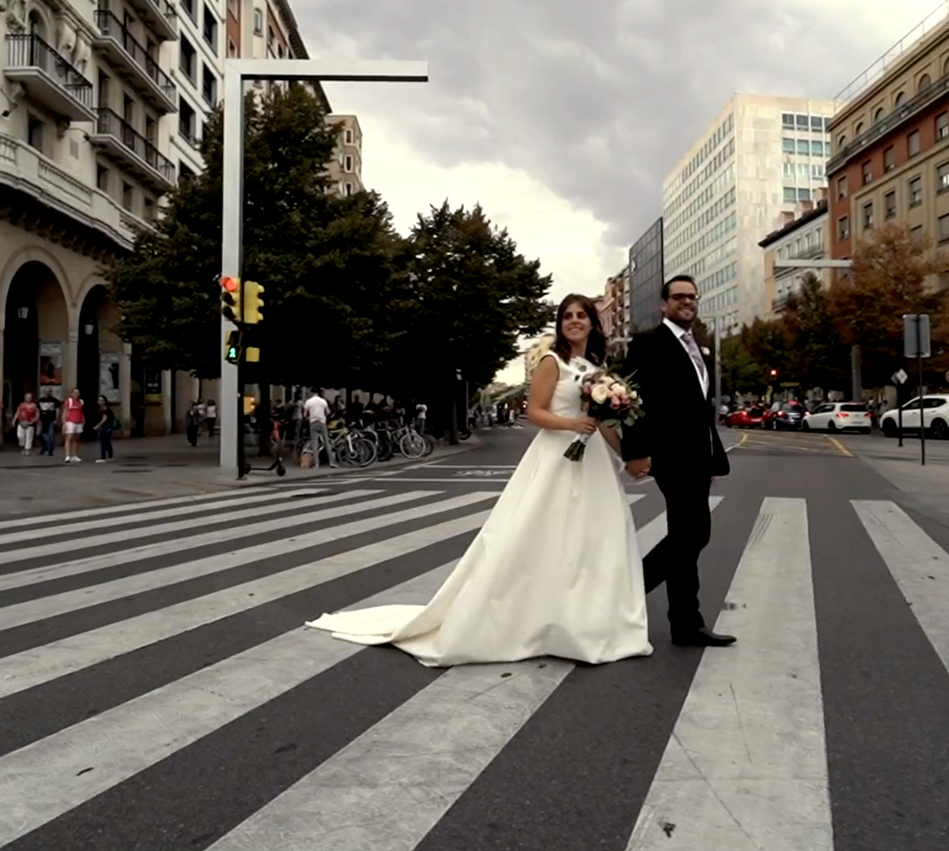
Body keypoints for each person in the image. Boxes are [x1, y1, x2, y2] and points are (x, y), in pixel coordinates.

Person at [306, 294, 651, 667]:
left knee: (594, 538)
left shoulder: (596, 367)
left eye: (581, 315)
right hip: (556, 458)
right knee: (544, 536)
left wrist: (628, 455)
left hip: (592, 460)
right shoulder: (552, 362)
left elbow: (602, 424)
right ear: (560, 323)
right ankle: (540, 618)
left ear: (592, 324)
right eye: (567, 316)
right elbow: (536, 412)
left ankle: (591, 621)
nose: (574, 321)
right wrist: (571, 423)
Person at [621, 275, 736, 648]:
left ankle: (686, 623)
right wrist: (636, 451)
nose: (688, 301)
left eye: (692, 296)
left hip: (695, 457)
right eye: (679, 296)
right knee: (693, 533)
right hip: (669, 455)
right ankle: (630, 592)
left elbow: (699, 411)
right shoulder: (649, 342)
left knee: (687, 536)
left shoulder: (697, 349)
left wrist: (710, 460)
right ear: (664, 304)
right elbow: (631, 399)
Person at [61, 388, 86, 463]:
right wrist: (64, 423)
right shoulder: (69, 401)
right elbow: (65, 412)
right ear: (72, 393)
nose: (76, 394)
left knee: (76, 439)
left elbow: (81, 412)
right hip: (70, 421)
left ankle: (74, 455)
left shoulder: (81, 402)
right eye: (75, 392)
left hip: (79, 421)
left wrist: (83, 420)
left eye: (78, 392)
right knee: (69, 438)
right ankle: (68, 455)